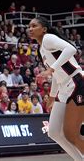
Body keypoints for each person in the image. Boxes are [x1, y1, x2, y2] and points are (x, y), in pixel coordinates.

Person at [29, 17, 84, 160]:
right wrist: (52, 97)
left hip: (76, 81)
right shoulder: (41, 50)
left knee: (72, 131)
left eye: (34, 26)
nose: (30, 29)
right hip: (64, 88)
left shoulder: (48, 38)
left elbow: (71, 49)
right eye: (29, 26)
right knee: (53, 132)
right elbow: (56, 76)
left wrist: (51, 69)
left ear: (44, 29)